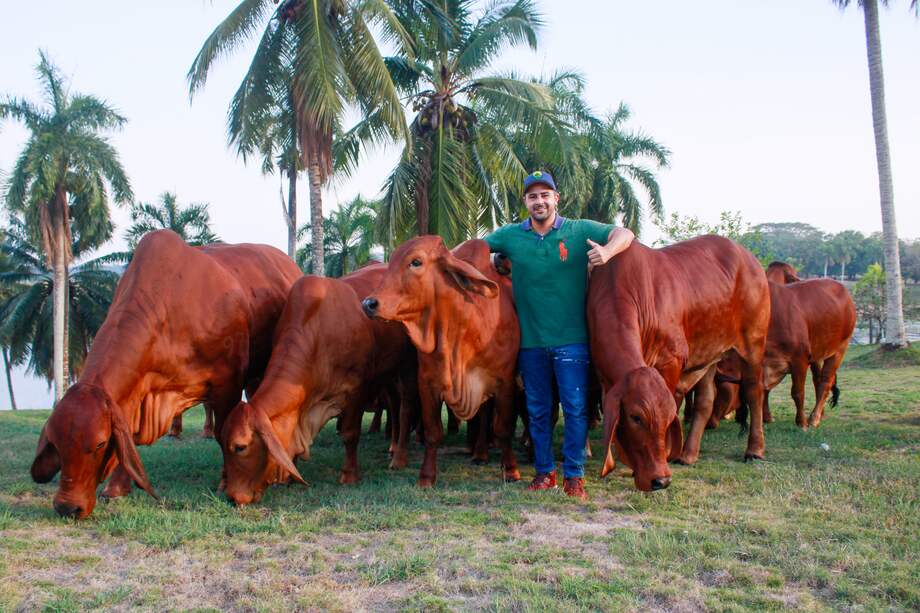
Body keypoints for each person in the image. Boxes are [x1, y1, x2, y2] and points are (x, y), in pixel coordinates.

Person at [484, 171, 634, 500]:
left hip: (572, 341)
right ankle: (544, 472)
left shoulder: (577, 230)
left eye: (544, 195)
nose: (539, 201)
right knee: (537, 410)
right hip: (531, 343)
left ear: (556, 198)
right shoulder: (511, 236)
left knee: (576, 408)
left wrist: (607, 252)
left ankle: (574, 476)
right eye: (532, 196)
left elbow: (625, 233)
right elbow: (472, 249)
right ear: (525, 202)